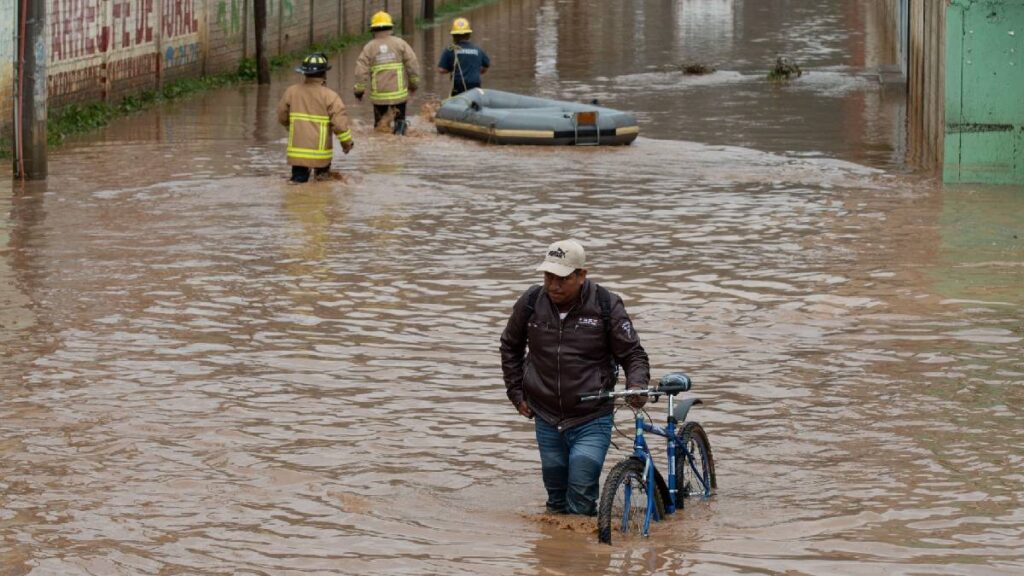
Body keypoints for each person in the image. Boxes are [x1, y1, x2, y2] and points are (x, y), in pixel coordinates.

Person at [500, 239, 650, 516]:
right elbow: (510, 346)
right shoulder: (531, 302)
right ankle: (556, 555)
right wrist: (516, 393)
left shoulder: (606, 305)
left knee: (581, 496)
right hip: (545, 415)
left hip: (591, 416)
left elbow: (633, 354)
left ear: (582, 275)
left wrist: (636, 385)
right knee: (556, 500)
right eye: (548, 276)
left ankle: (585, 553)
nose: (554, 285)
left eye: (563, 278)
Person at [276, 53, 354, 183]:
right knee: (322, 187)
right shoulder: (331, 96)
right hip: (321, 154)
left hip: (297, 153)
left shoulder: (291, 92)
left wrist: (292, 128)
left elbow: (282, 116)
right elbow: (340, 126)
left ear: (304, 73)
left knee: (297, 185)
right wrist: (347, 145)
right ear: (324, 74)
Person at [353, 11, 422, 135]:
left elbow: (360, 71)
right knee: (400, 124)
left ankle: (381, 150)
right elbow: (413, 65)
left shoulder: (369, 47)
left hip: (379, 97)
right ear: (391, 27)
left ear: (373, 29)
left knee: (380, 127)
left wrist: (359, 91)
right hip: (399, 96)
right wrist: (414, 84)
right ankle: (400, 140)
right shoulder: (400, 43)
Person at [437, 17, 490, 97]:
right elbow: (486, 65)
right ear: (469, 35)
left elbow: (441, 70)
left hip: (458, 85)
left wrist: (452, 68)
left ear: (453, 35)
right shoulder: (477, 49)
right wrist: (475, 70)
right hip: (475, 84)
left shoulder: (450, 50)